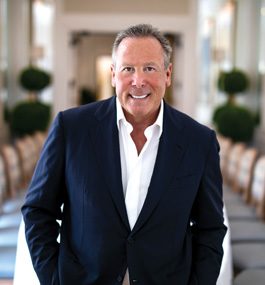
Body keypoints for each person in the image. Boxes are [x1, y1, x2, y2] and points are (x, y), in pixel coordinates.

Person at [22, 24, 227, 285]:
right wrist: (53, 280)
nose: (138, 81)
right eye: (128, 68)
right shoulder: (71, 128)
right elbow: (38, 211)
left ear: (167, 74)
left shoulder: (199, 141)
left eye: (149, 68)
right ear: (113, 75)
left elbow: (210, 228)